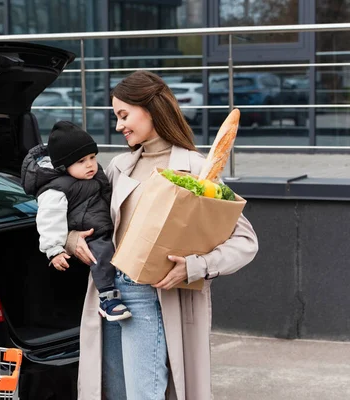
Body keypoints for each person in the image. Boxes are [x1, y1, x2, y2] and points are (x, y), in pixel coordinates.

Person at [65, 71, 259, 400]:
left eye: (124, 115)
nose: (118, 126)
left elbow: (246, 242)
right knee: (114, 392)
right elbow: (89, 217)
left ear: (151, 108)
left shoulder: (198, 169)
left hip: (151, 294)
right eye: (116, 117)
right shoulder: (118, 166)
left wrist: (195, 266)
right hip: (109, 293)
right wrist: (71, 238)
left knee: (144, 394)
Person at [21, 121, 132, 321]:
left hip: (104, 225)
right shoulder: (56, 188)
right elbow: (49, 219)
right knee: (101, 253)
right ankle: (108, 298)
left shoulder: (94, 175)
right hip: (89, 233)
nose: (90, 164)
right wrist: (54, 249)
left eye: (92, 157)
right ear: (63, 165)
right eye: (81, 161)